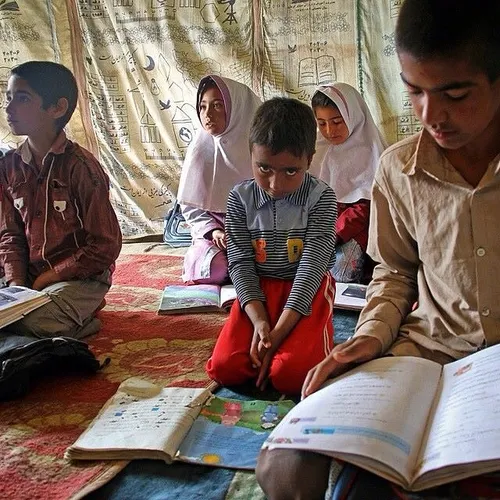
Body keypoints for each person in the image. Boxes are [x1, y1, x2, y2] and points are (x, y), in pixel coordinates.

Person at [256, 0, 500, 497]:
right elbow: (393, 273)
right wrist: (368, 338)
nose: (432, 115)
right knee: (284, 464)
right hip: (429, 349)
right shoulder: (398, 168)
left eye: (454, 93)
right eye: (415, 92)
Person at [205, 97, 337, 395]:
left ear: (310, 159)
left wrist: (275, 335)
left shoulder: (321, 198)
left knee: (291, 376)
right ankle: (273, 342)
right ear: (250, 153)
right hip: (257, 293)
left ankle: (304, 344)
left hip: (305, 291)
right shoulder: (240, 198)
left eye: (291, 171)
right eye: (264, 168)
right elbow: (240, 264)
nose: (276, 184)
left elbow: (311, 270)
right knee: (226, 367)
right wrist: (261, 322)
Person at [0, 61, 122, 339]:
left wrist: (50, 277)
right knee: (16, 313)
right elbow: (10, 235)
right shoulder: (8, 167)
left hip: (79, 278)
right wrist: (17, 285)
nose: (8, 108)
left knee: (38, 323)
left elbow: (106, 245)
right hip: (29, 275)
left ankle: (82, 318)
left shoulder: (81, 167)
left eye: (22, 99)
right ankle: (63, 319)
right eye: (8, 97)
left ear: (57, 108)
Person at [177, 75, 262, 285]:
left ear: (238, 109)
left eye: (217, 105)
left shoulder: (261, 149)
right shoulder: (200, 148)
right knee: (212, 268)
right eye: (203, 107)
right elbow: (191, 206)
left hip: (255, 230)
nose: (208, 115)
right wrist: (213, 230)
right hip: (215, 233)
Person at [310, 83, 386, 283]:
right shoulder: (316, 151)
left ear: (353, 116)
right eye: (322, 123)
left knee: (341, 271)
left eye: (337, 121)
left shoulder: (371, 152)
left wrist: (333, 235)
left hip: (353, 231)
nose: (329, 131)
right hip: (320, 231)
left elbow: (366, 208)